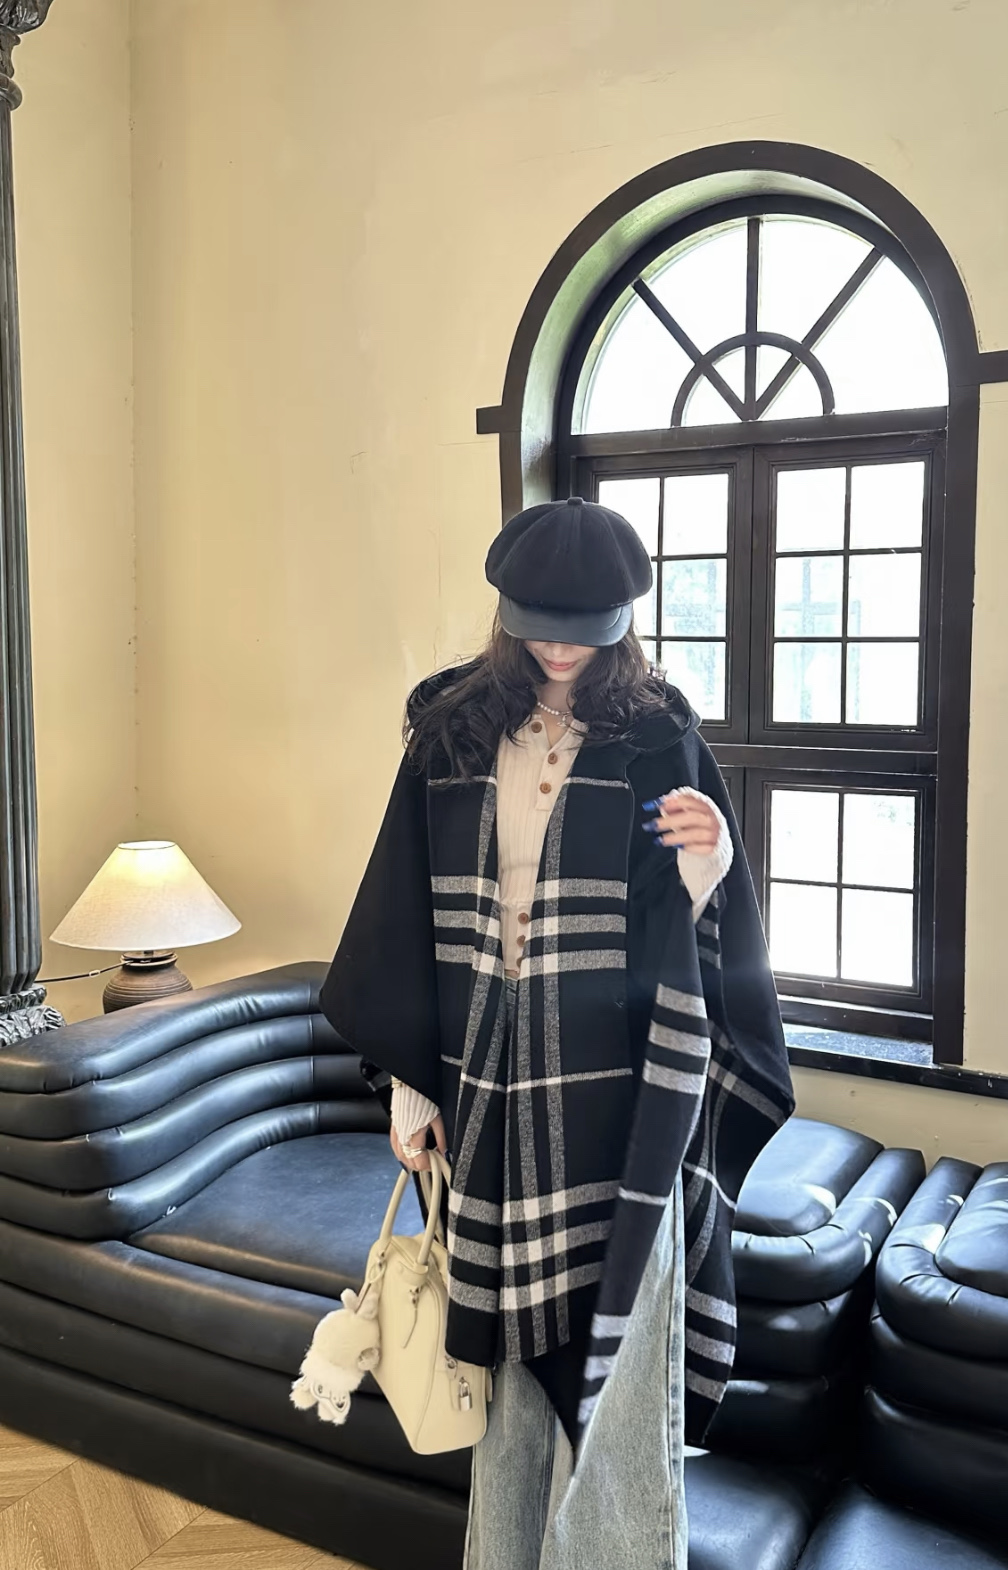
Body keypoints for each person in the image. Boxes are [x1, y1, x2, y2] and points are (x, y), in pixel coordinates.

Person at [319, 495, 794, 1570]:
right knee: (508, 1383)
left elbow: (697, 933)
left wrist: (710, 863)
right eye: (542, 627)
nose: (563, 649)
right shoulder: (450, 727)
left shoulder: (658, 731)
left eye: (586, 630)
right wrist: (412, 1087)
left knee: (620, 1380)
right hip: (481, 1081)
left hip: (619, 1091)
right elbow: (401, 907)